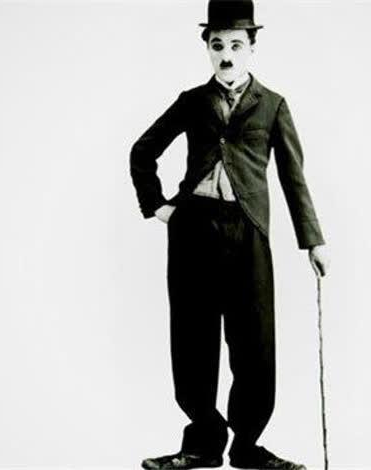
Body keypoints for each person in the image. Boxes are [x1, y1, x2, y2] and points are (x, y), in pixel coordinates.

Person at [129, 0, 329, 468]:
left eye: (236, 45)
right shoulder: (191, 101)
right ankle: (201, 444)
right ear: (207, 48)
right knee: (193, 339)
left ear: (252, 48)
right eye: (217, 45)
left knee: (254, 343)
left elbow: (293, 178)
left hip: (248, 230)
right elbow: (142, 151)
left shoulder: (273, 105)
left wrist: (313, 241)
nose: (226, 54)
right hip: (193, 229)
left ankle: (247, 446)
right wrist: (158, 207)